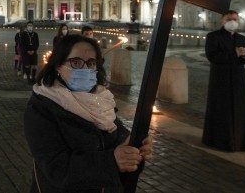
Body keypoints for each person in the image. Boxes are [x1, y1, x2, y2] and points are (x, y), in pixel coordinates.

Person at [24, 34, 152, 192]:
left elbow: (120, 141)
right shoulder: (41, 107)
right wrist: (113, 162)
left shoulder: (101, 101)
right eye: (76, 62)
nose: (85, 69)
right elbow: (56, 168)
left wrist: (135, 150)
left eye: (91, 63)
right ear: (58, 65)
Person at [202, 10, 245, 152]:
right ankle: (220, 141)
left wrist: (244, 56)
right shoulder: (213, 36)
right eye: (229, 19)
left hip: (238, 80)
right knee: (221, 110)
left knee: (239, 110)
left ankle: (241, 141)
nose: (232, 21)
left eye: (235, 19)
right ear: (222, 21)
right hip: (220, 80)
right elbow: (212, 56)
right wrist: (235, 53)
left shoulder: (241, 38)